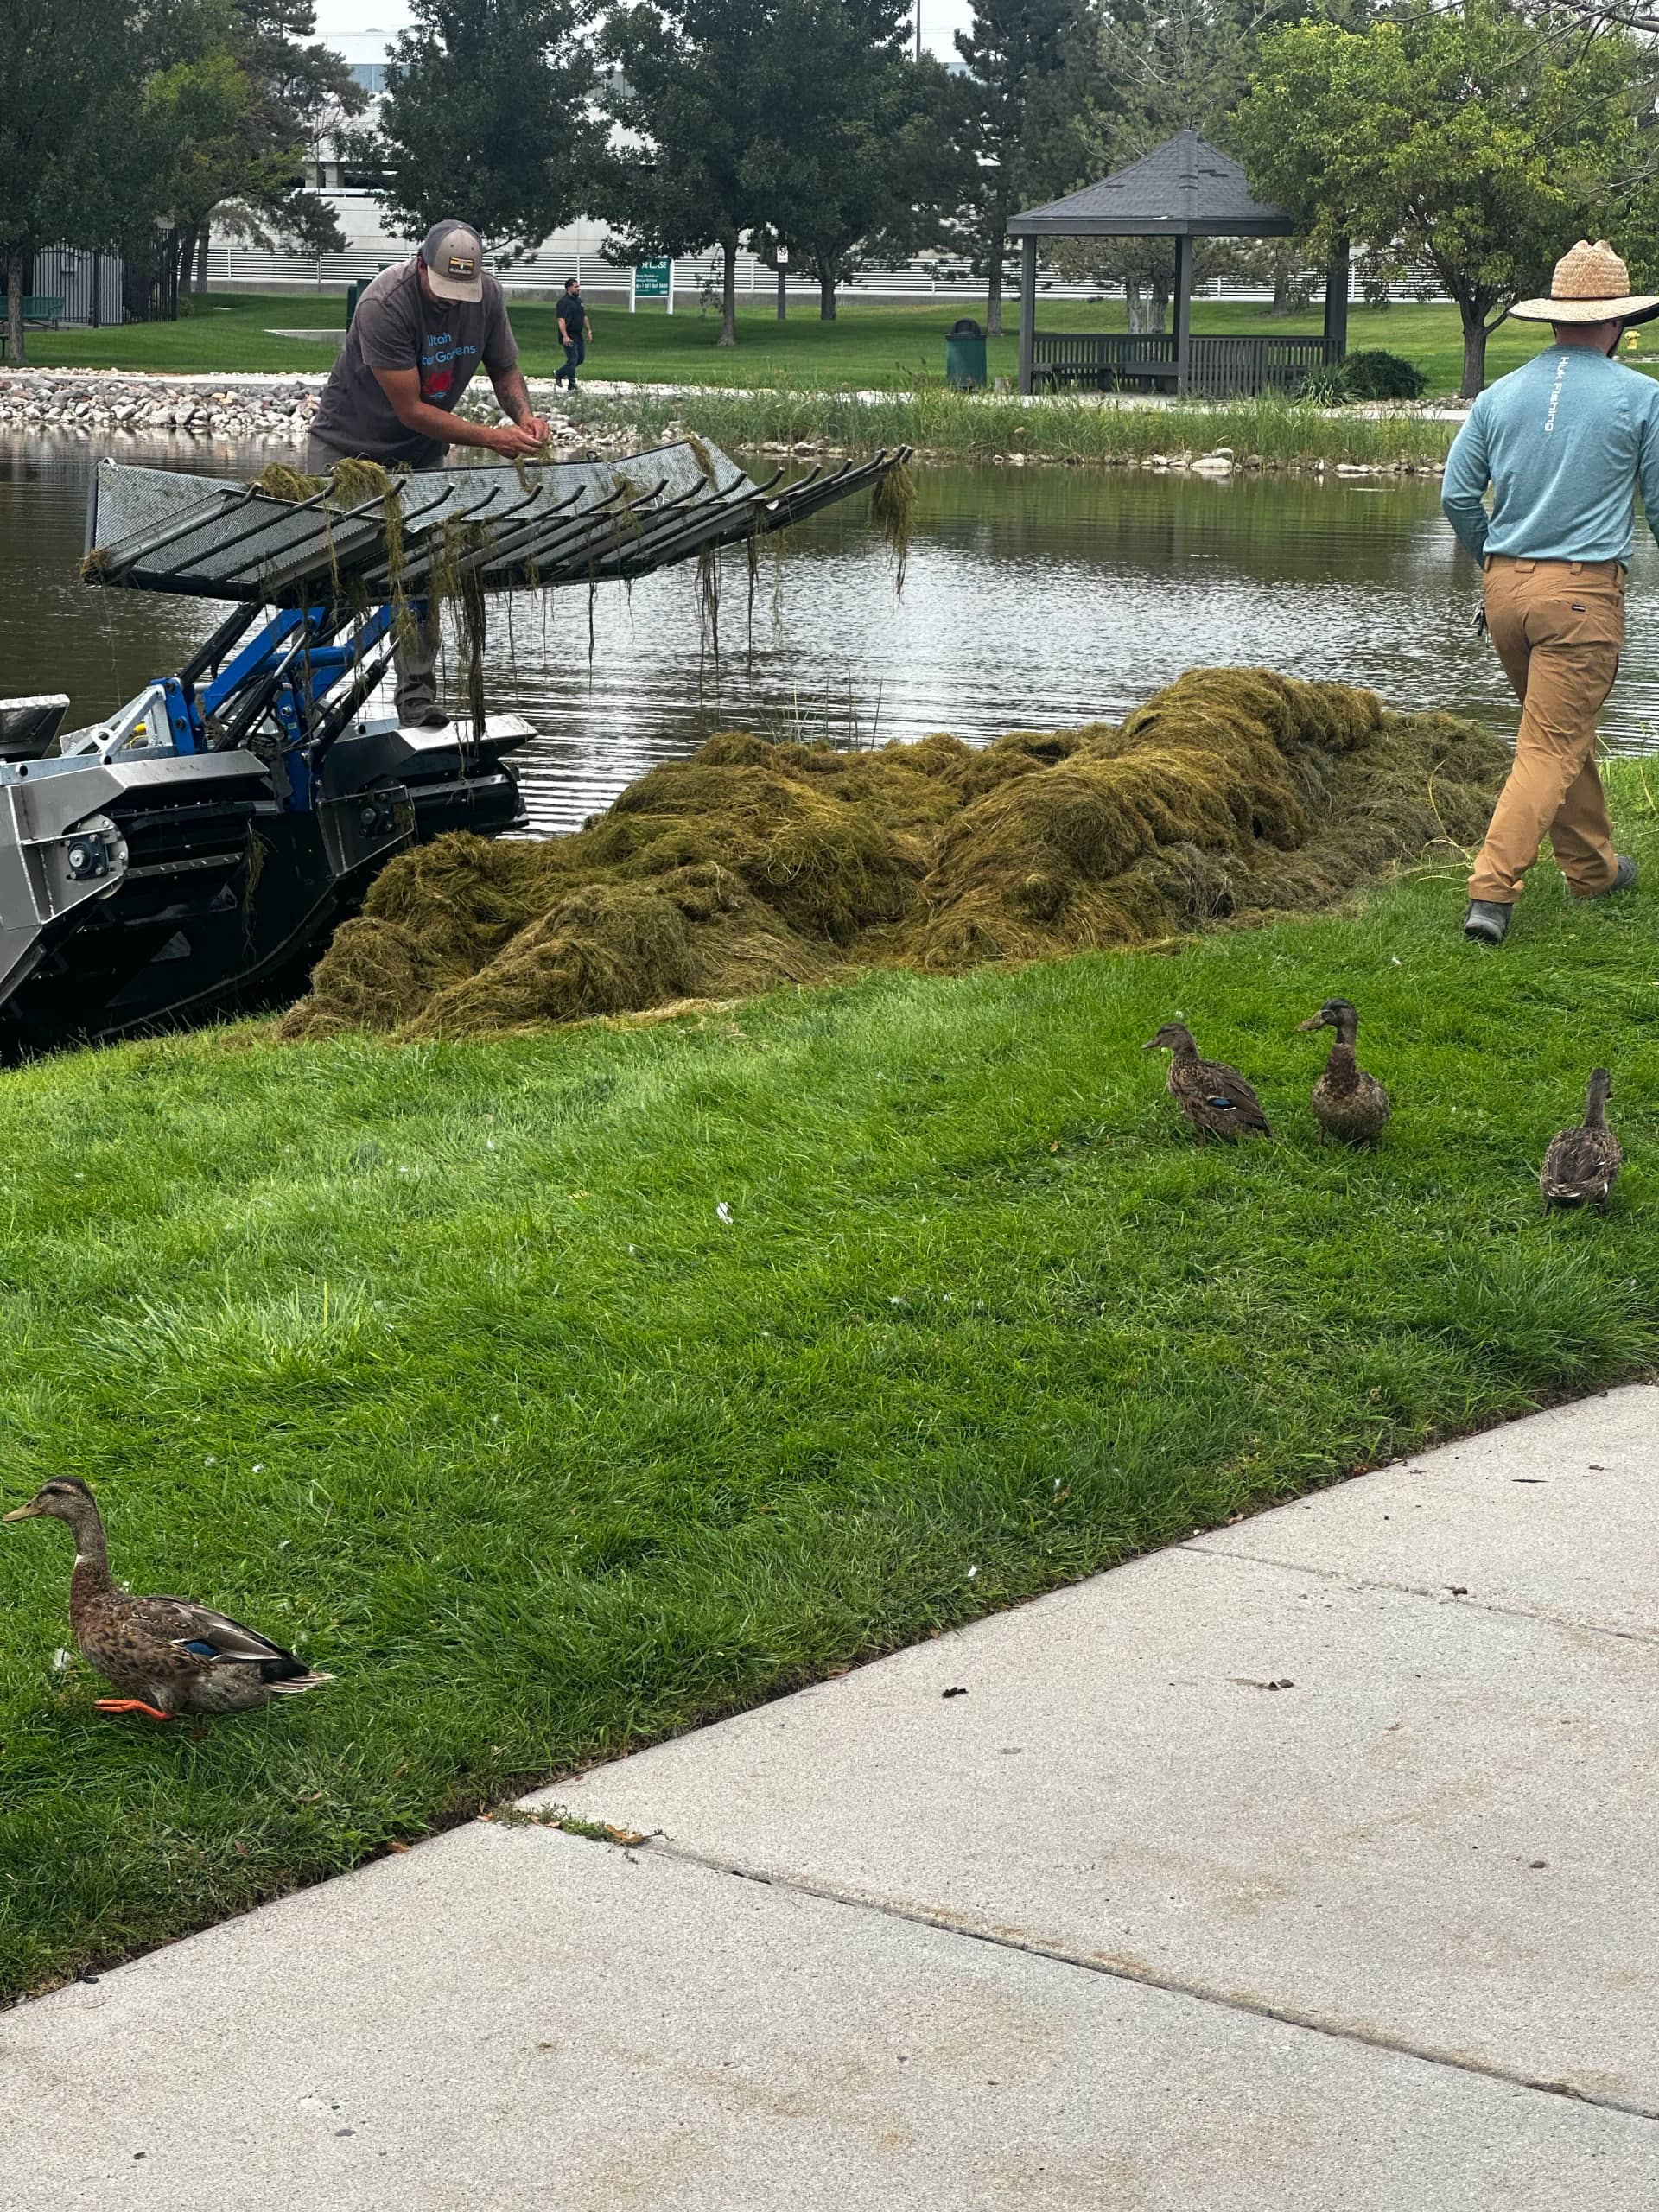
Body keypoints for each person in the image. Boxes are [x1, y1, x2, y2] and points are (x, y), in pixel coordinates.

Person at [1442, 238, 1659, 944]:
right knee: (1549, 745)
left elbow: (1457, 497)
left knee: (1559, 735)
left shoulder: (1499, 395)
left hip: (1504, 591)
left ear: (1555, 319)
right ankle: (1491, 891)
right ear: (1618, 323)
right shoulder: (1642, 397)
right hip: (1581, 597)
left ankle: (1593, 871)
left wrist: (1496, 563)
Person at [307, 219, 550, 728]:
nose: (452, 302)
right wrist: (491, 438)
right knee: (329, 574)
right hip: (346, 450)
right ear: (421, 266)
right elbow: (411, 409)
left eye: (462, 292)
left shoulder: (486, 297)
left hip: (420, 456)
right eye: (443, 290)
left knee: (421, 573)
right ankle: (302, 690)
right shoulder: (383, 305)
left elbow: (504, 370)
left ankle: (416, 701)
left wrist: (522, 416)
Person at [554, 276, 591, 391]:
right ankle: (572, 384)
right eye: (576, 287)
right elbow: (561, 320)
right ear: (568, 288)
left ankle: (559, 373)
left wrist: (589, 330)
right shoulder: (563, 302)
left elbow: (584, 316)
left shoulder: (579, 301)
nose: (578, 288)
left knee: (580, 359)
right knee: (573, 359)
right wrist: (565, 336)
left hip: (578, 334)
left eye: (578, 286)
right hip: (568, 335)